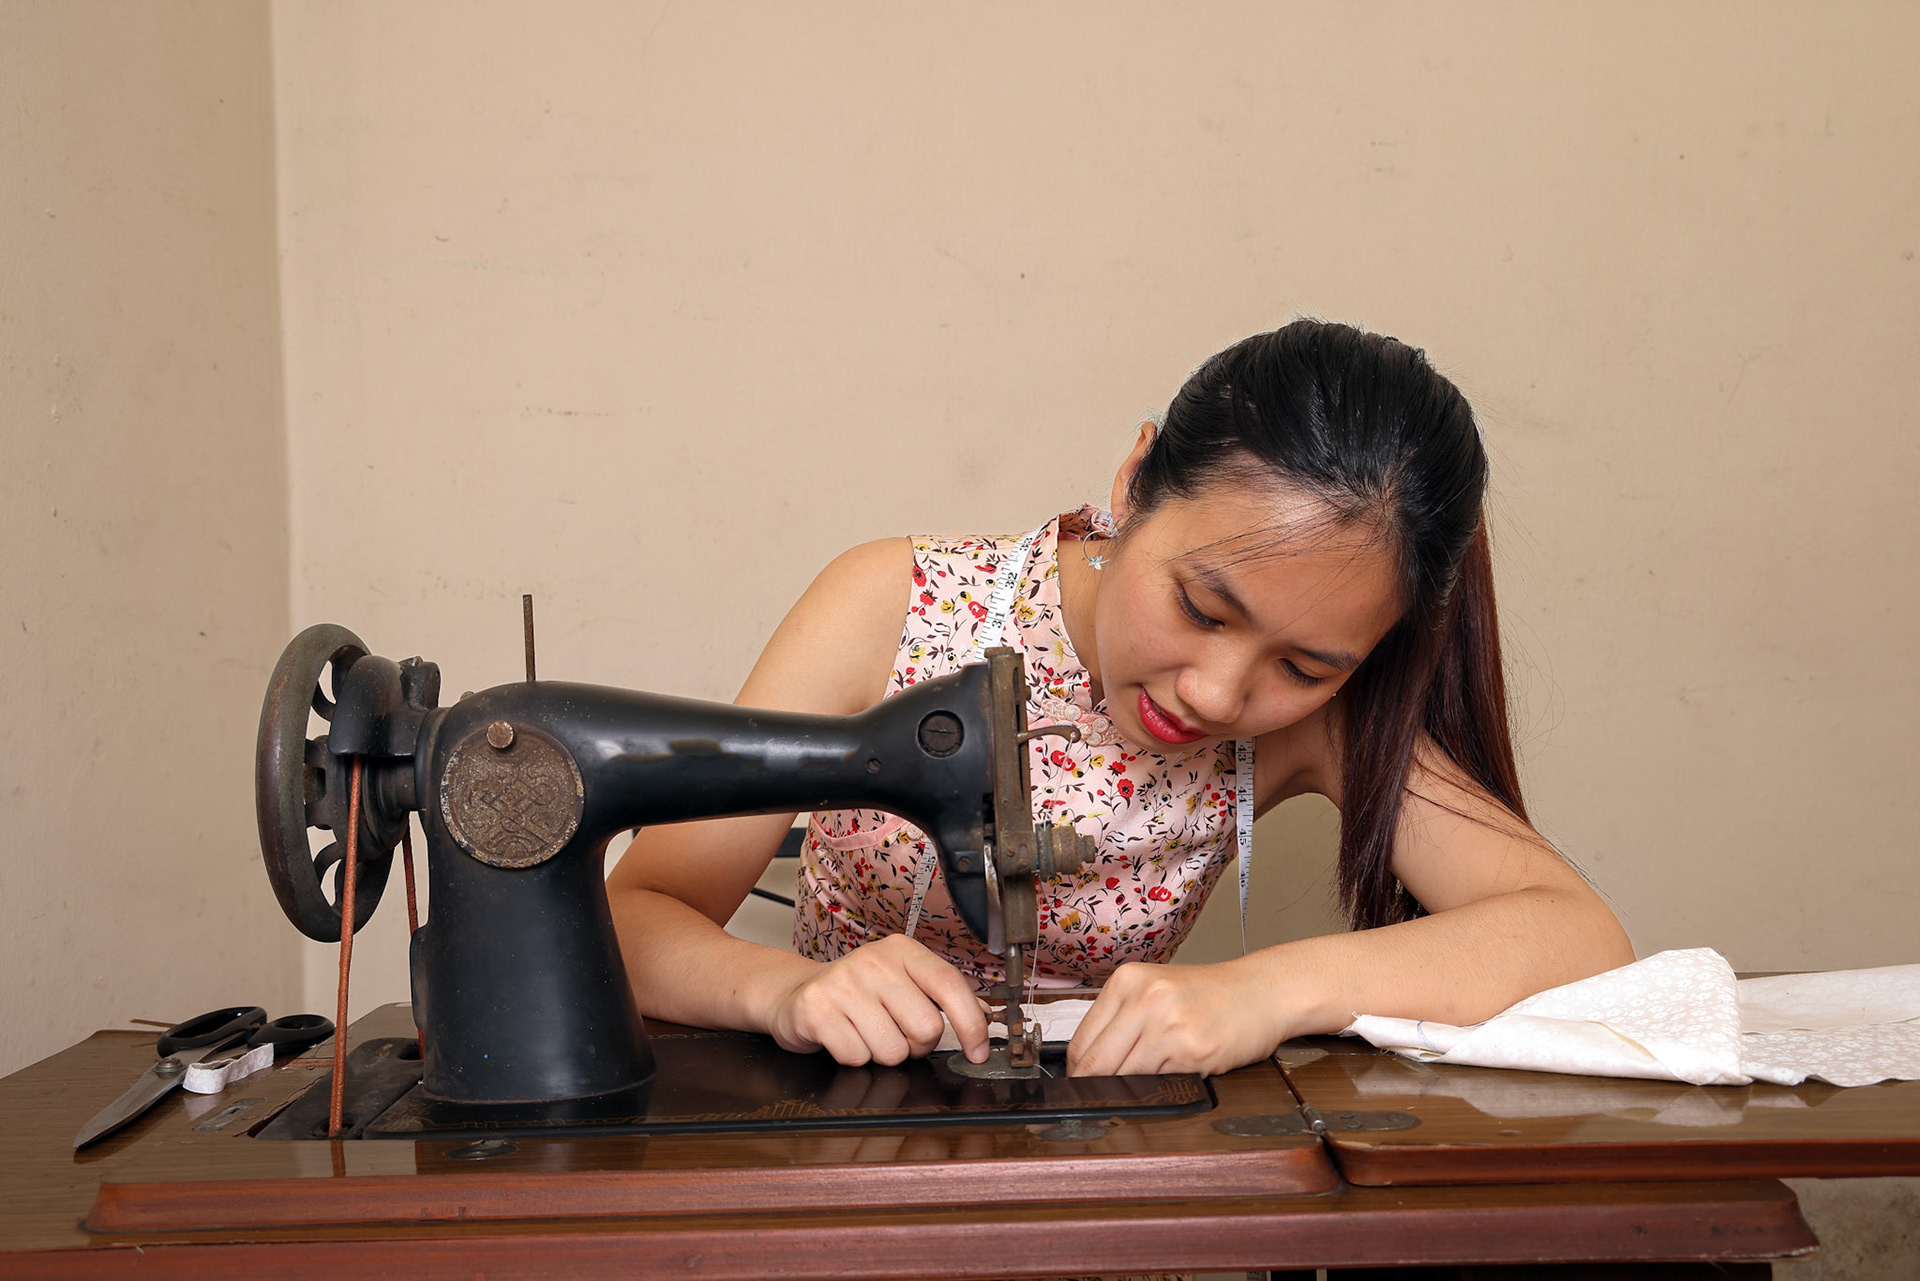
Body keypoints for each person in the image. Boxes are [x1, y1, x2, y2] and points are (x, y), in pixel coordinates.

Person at [606, 319, 1634, 1078]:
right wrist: (784, 991)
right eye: (1200, 605)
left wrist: (1267, 988)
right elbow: (636, 912)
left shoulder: (1325, 715)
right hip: (834, 1128)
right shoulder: (894, 604)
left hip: (1092, 1150)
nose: (1219, 693)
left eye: (1305, 666)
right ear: (1137, 482)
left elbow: (1575, 933)